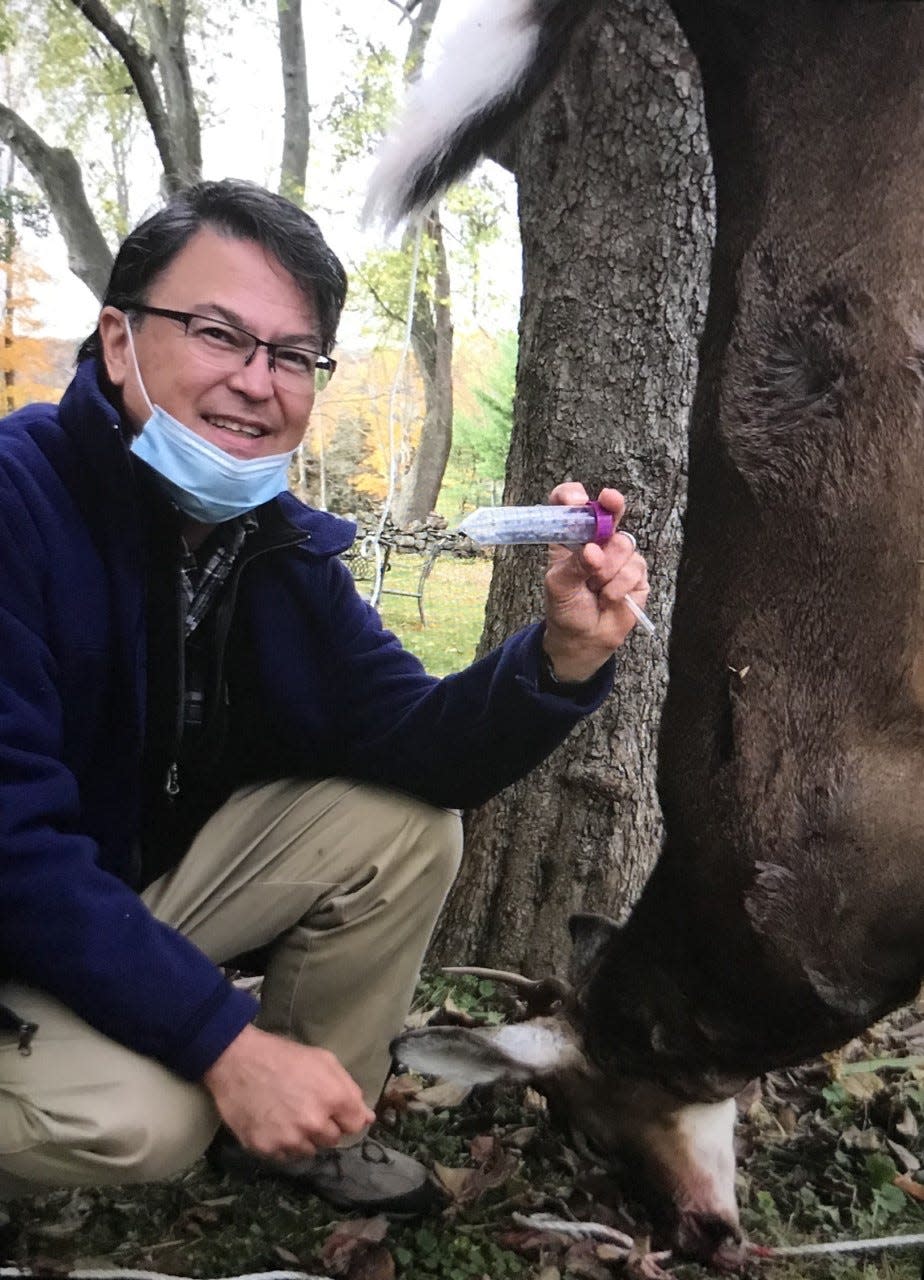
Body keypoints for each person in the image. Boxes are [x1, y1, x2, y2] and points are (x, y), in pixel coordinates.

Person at [0, 179, 649, 1217]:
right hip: (23, 900)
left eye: (293, 355)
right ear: (119, 341)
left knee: (401, 823)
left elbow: (421, 746)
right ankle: (211, 1081)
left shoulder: (275, 548)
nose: (258, 382)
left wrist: (562, 655)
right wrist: (219, 1039)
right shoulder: (17, 502)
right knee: (150, 1118)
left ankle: (309, 1129)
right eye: (219, 333)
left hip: (115, 894)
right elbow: (12, 848)